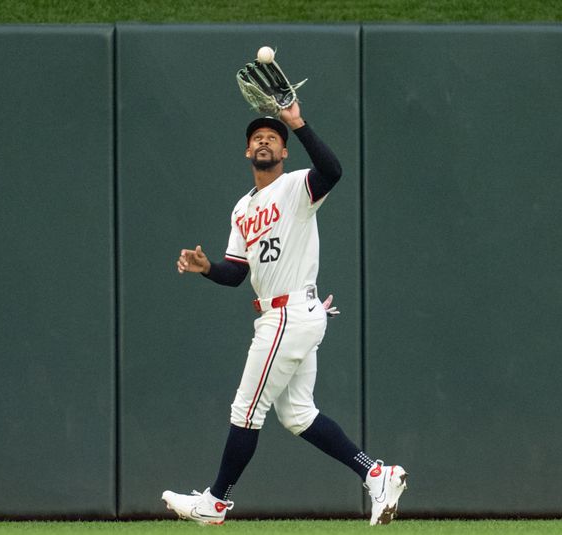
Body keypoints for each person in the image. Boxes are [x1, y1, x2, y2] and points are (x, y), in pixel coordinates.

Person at [162, 102, 407, 526]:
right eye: (257, 136)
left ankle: (215, 503)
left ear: (284, 151)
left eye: (273, 137)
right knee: (298, 415)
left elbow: (332, 171)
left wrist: (299, 123)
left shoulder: (296, 187)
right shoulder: (242, 209)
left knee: (246, 410)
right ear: (246, 152)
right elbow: (237, 273)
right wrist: (207, 269)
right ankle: (377, 473)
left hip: (288, 315)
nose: (263, 140)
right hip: (287, 312)